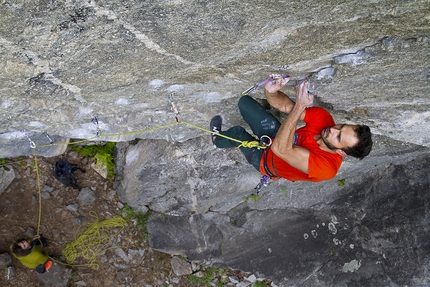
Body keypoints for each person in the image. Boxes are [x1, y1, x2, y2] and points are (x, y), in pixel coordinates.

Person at [210, 76, 372, 182]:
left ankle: (217, 140)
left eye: (338, 137)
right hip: (277, 137)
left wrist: (300, 106)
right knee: (244, 103)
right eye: (341, 127)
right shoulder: (325, 121)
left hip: (266, 161)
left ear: (341, 152)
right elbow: (288, 106)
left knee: (238, 133)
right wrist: (271, 91)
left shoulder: (326, 168)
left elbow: (281, 150)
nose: (333, 130)